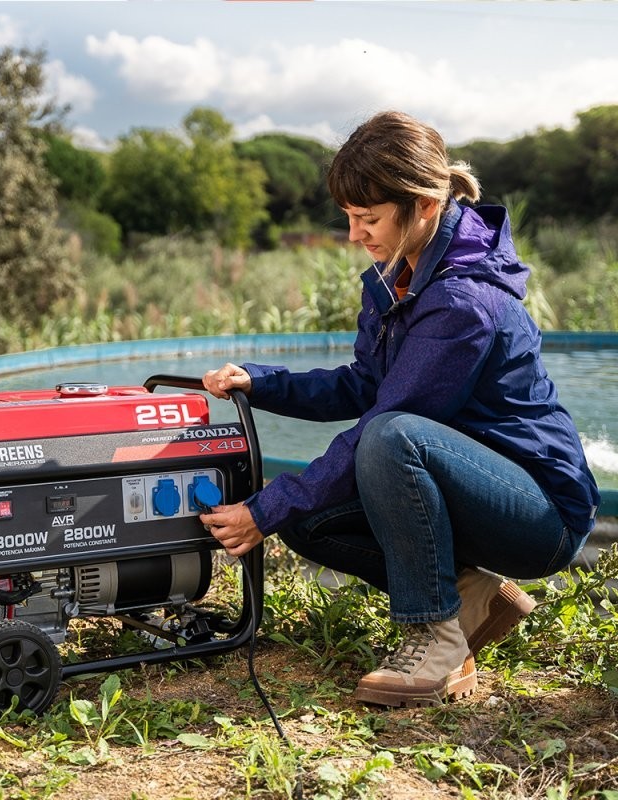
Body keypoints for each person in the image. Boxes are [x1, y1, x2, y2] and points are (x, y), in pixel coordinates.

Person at [199, 110, 600, 708]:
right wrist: (261, 383)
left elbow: (389, 422)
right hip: (473, 491)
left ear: (425, 207)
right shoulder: (398, 276)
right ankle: (472, 592)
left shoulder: (464, 302)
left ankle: (435, 636)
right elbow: (364, 385)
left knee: (390, 439)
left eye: (369, 218)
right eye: (350, 218)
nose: (355, 235)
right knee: (309, 518)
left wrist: (264, 505)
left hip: (540, 515)